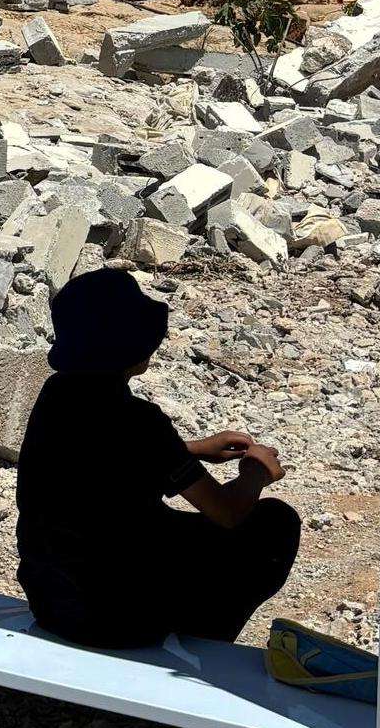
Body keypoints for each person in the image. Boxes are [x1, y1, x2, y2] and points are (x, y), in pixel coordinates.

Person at [15, 268, 300, 650]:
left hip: (51, 600)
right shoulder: (140, 423)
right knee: (273, 524)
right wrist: (255, 473)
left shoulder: (56, 396)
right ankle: (204, 641)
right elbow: (228, 512)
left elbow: (105, 462)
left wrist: (192, 450)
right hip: (120, 617)